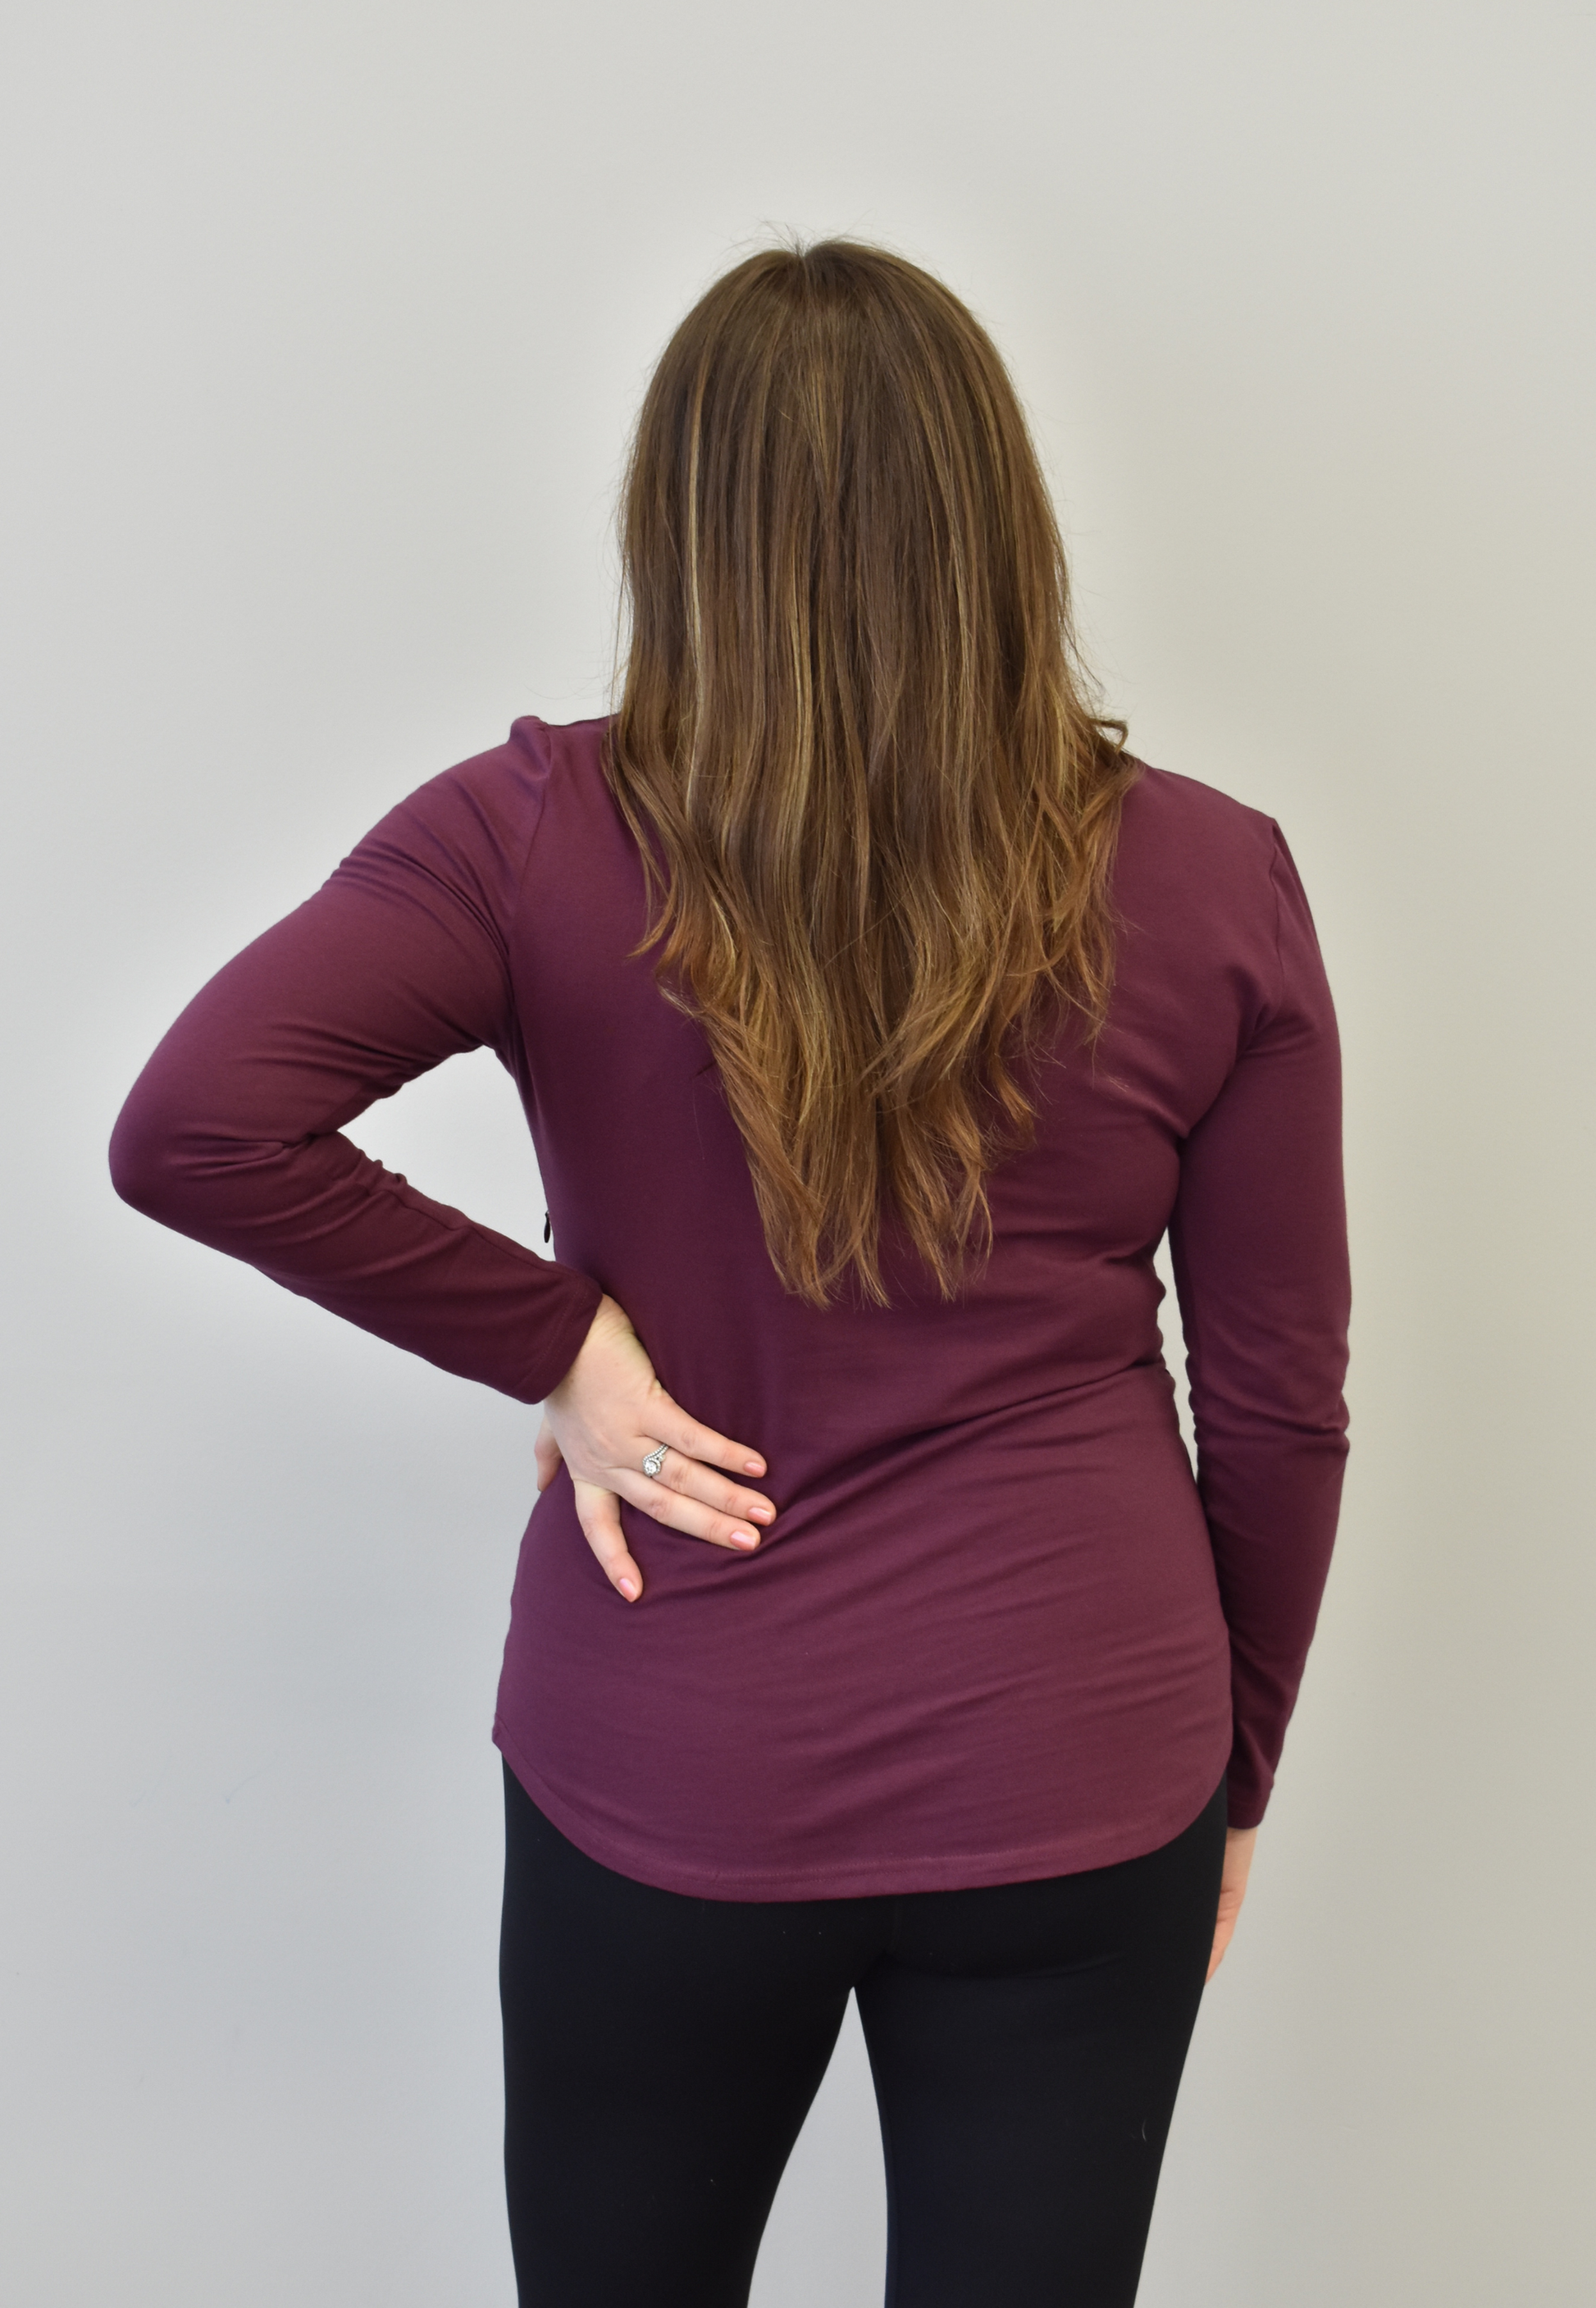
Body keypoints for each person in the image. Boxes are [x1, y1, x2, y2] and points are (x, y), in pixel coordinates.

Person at [109, 239, 1350, 2308]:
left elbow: (193, 1123)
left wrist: (559, 1340)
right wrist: (1236, 1775)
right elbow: (1282, 1404)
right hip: (1079, 1757)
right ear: (998, 520)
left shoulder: (527, 834)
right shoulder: (1215, 872)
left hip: (668, 1746)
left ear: (678, 525)